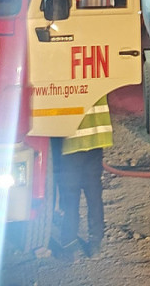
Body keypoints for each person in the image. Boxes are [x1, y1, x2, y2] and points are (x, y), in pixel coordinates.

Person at [52, 95, 113, 260]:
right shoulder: (96, 75)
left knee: (70, 196)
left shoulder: (67, 79)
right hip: (95, 141)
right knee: (94, 194)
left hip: (72, 144)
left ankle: (69, 246)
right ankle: (95, 245)